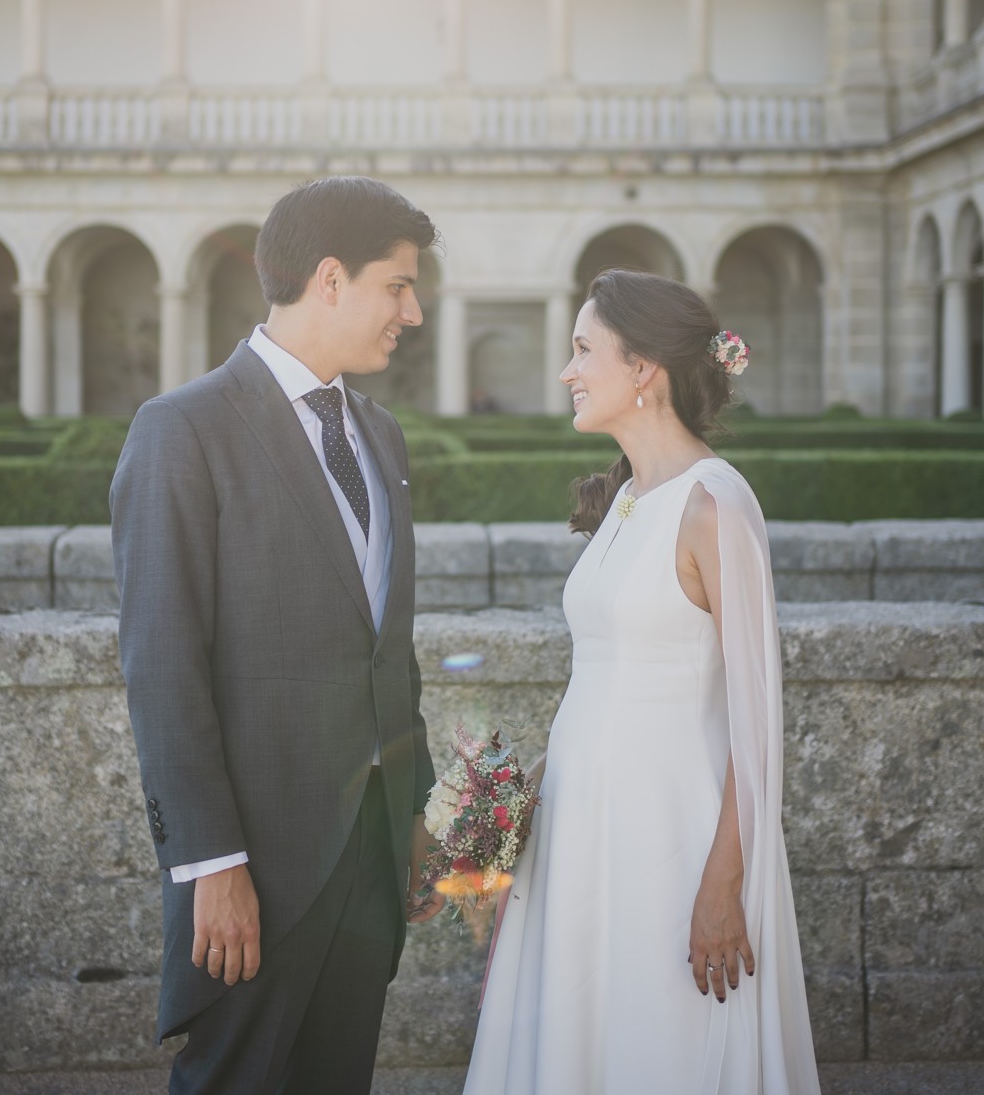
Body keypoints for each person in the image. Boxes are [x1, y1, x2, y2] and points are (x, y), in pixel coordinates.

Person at [111, 175, 446, 1095]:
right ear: (331, 279)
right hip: (254, 872)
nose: (412, 313)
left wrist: (414, 810)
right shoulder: (180, 430)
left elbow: (387, 649)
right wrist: (210, 863)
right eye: (398, 286)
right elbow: (162, 667)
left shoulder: (382, 435)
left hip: (371, 862)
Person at [462, 267, 822, 1094]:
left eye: (584, 349)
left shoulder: (713, 504)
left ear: (643, 369)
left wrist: (725, 880)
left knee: (658, 1041)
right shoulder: (628, 497)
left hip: (670, 834)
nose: (568, 370)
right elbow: (601, 681)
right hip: (580, 830)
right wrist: (512, 808)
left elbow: (757, 719)